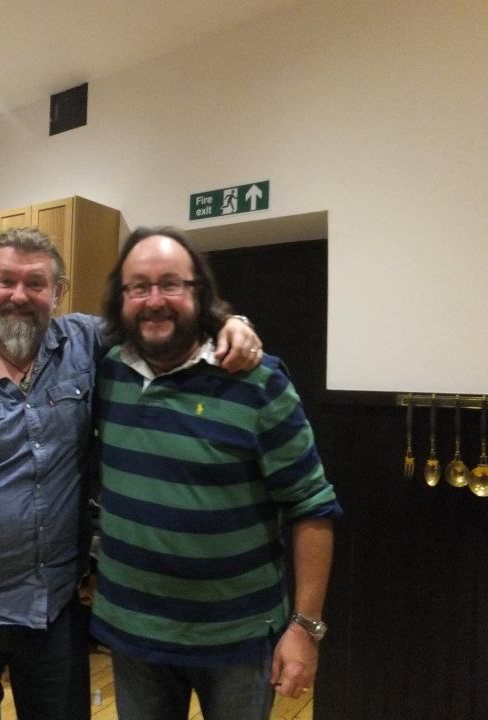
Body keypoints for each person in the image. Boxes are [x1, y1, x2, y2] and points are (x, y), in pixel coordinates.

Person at [0, 227, 262, 720]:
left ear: (57, 292)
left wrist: (230, 320)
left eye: (36, 283)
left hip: (54, 609)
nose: (20, 295)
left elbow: (157, 317)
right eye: (6, 280)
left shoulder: (85, 343)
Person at [90, 226, 342, 720]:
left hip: (237, 639)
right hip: (133, 633)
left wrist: (305, 628)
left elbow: (312, 505)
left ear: (200, 292)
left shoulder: (257, 380)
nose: (154, 300)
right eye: (138, 286)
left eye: (171, 284)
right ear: (121, 298)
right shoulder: (106, 371)